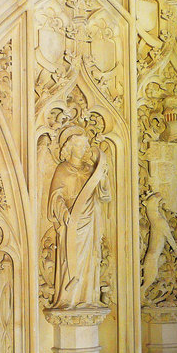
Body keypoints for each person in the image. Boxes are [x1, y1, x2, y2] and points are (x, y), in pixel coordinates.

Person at [47, 125, 111, 308]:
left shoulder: (91, 170)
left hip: (90, 218)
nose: (83, 149)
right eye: (79, 146)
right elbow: (55, 196)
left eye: (84, 146)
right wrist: (64, 212)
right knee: (71, 256)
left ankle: (88, 299)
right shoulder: (63, 169)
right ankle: (69, 299)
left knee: (90, 258)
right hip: (72, 220)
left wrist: (103, 177)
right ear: (70, 147)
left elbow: (105, 195)